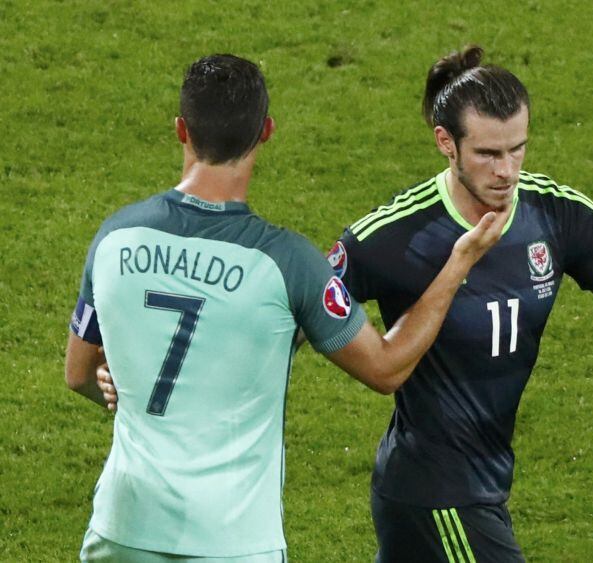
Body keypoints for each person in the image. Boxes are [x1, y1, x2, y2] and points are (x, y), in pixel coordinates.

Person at [65, 54, 508, 562]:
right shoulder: (287, 263)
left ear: (181, 130)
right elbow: (387, 368)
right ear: (266, 131)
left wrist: (125, 395)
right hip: (231, 542)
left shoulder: (116, 237)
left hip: (121, 529)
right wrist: (458, 264)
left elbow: (80, 371)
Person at [327, 46, 593, 562]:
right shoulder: (397, 234)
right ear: (447, 143)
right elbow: (302, 312)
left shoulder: (557, 217)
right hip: (437, 492)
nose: (506, 170)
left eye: (517, 149)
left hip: (479, 483)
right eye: (488, 154)